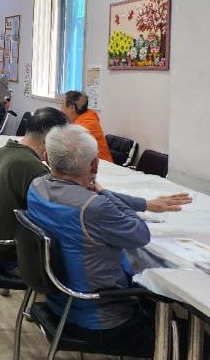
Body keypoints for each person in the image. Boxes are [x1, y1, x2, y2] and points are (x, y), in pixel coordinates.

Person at [27, 125, 192, 351]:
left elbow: (91, 198)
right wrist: (103, 192)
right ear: (95, 164)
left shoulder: (36, 188)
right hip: (101, 319)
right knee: (197, 337)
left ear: (46, 157)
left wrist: (143, 204)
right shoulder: (93, 207)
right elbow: (140, 233)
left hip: (60, 302)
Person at [0, 107, 69, 274]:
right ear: (49, 137)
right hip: (17, 255)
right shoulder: (32, 167)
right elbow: (57, 218)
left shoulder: (2, 152)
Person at [62, 91, 113, 163]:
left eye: (62, 104)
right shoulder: (86, 116)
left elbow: (65, 148)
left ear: (72, 107)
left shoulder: (85, 125)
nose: (61, 108)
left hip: (102, 166)